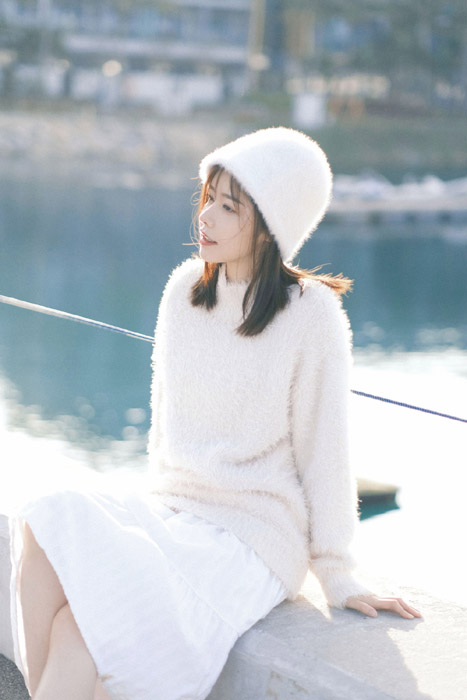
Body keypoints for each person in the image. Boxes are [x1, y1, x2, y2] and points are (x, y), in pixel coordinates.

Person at [10, 126, 421, 700]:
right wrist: (148, 533)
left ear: (271, 225)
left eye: (230, 207)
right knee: (45, 521)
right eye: (209, 198)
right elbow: (163, 430)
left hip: (252, 537)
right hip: (178, 512)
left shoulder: (311, 315)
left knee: (80, 631)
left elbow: (325, 452)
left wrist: (336, 571)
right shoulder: (184, 292)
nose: (206, 217)